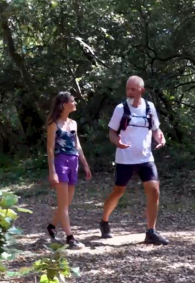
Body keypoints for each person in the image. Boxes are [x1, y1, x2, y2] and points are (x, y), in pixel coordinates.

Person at [99, 76, 169, 245]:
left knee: (154, 191)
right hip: (125, 159)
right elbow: (112, 132)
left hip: (146, 158)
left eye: (133, 89)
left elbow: (156, 129)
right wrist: (118, 142)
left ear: (141, 90)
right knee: (118, 192)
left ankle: (151, 231)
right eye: (127, 89)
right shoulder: (120, 109)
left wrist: (161, 138)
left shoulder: (150, 107)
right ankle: (104, 221)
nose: (129, 92)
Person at [46, 91, 92, 249]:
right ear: (65, 105)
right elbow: (50, 149)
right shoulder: (54, 124)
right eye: (73, 101)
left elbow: (77, 145)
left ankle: (52, 226)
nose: (75, 103)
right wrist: (52, 171)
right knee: (64, 204)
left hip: (73, 162)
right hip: (60, 162)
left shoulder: (73, 123)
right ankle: (70, 237)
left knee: (66, 202)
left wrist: (85, 164)